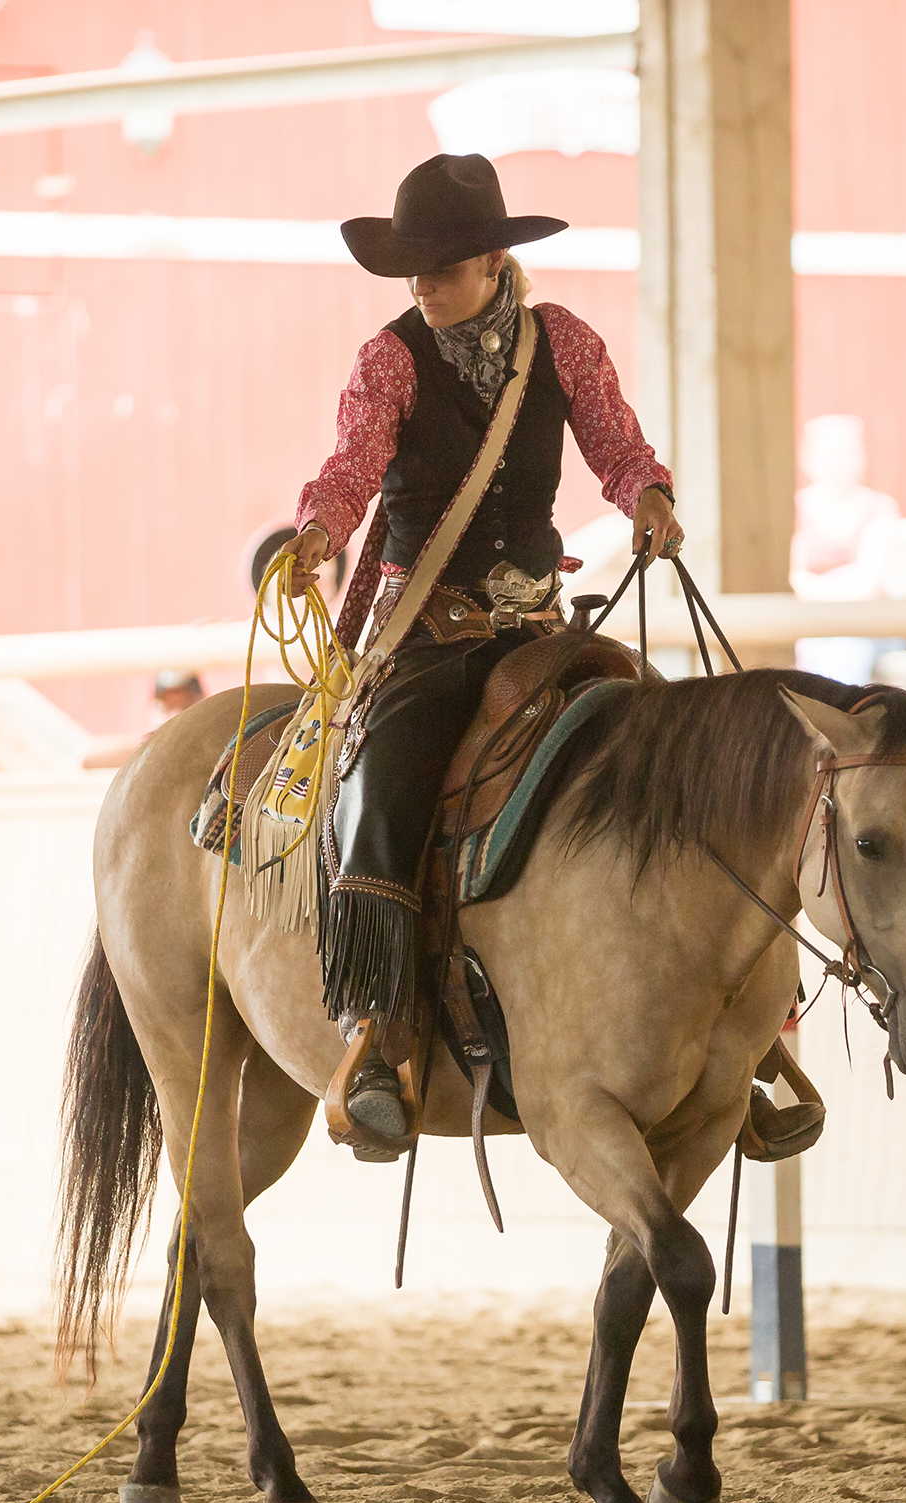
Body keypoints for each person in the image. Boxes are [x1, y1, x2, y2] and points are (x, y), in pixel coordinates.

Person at [277, 154, 679, 1156]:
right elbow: (352, 466)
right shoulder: (391, 359)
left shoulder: (568, 344)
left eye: (443, 268)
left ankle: (739, 1026)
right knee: (384, 788)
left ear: (497, 260)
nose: (424, 287)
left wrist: (650, 501)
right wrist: (320, 529)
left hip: (541, 626)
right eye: (415, 272)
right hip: (428, 627)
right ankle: (380, 1033)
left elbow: (617, 450)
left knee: (675, 757)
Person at [788, 414, 906, 685]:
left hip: (868, 626)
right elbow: (794, 578)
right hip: (811, 626)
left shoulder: (880, 508)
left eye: (849, 452)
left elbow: (869, 583)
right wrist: (843, 580)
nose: (841, 462)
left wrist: (821, 587)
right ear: (809, 458)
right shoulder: (797, 508)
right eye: (832, 453)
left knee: (846, 645)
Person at [81, 670, 210, 769]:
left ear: (204, 705)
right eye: (167, 707)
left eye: (186, 705)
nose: (176, 715)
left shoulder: (217, 750)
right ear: (153, 710)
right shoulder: (144, 753)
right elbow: (85, 757)